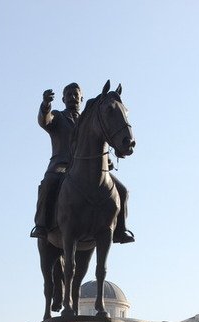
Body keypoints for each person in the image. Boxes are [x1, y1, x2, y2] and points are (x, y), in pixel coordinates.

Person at [30, 83, 134, 244]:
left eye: (75, 94)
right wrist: (45, 106)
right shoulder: (58, 117)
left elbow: (98, 140)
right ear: (63, 99)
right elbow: (45, 121)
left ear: (81, 98)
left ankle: (120, 229)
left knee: (122, 190)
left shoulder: (90, 119)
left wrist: (106, 159)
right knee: (48, 183)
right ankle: (41, 225)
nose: (72, 97)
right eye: (69, 95)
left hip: (90, 168)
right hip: (62, 165)